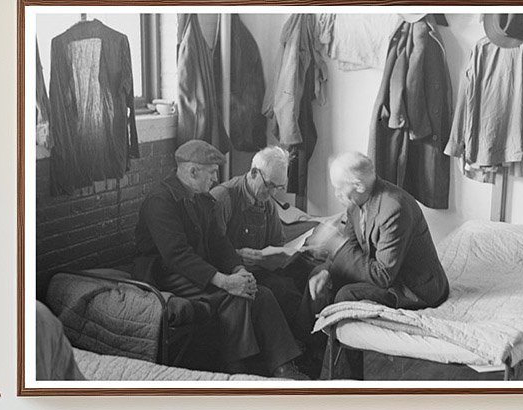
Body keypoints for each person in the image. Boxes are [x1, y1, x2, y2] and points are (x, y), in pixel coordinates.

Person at [133, 139, 306, 378]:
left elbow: (219, 243)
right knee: (233, 298)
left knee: (260, 293)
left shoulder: (202, 199)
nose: (216, 179)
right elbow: (176, 256)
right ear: (193, 171)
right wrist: (224, 281)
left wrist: (237, 270)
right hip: (166, 274)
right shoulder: (161, 201)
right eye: (212, 173)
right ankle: (237, 371)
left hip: (196, 271)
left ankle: (283, 367)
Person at [308, 152, 449, 311]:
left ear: (359, 186)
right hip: (384, 270)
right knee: (318, 274)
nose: (336, 194)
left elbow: (383, 276)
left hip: (413, 286)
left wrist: (337, 244)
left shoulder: (394, 210)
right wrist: (328, 272)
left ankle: (324, 333)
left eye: (339, 188)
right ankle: (306, 334)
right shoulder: (356, 201)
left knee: (346, 295)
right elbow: (352, 246)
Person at [210, 146, 314, 332]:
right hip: (232, 273)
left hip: (261, 268)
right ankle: (302, 342)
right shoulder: (223, 197)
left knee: (308, 272)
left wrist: (282, 255)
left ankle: (311, 338)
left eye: (278, 187)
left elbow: (277, 243)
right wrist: (238, 255)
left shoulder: (267, 202)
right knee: (282, 289)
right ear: (253, 172)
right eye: (269, 185)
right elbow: (210, 249)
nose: (272, 193)